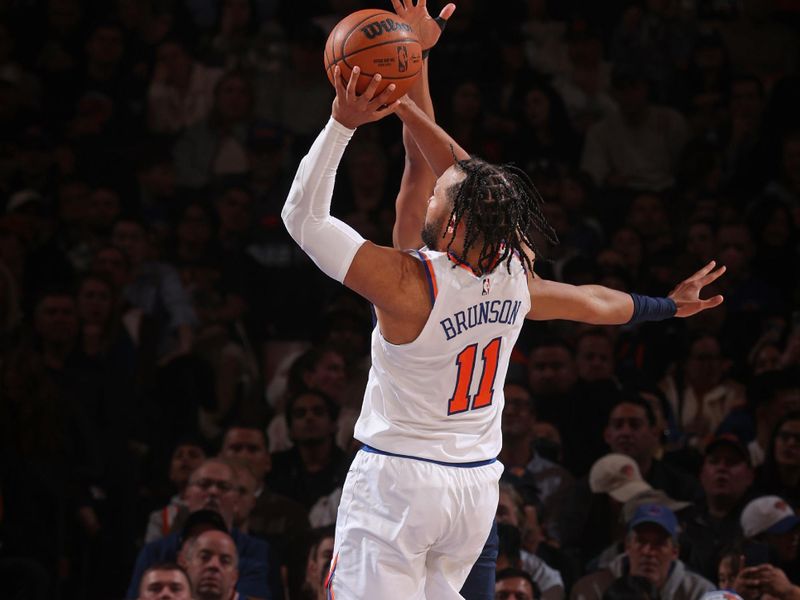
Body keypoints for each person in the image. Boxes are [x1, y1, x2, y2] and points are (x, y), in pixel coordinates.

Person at [281, 1, 725, 597]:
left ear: (458, 225)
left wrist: (345, 120)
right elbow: (598, 303)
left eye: (444, 199)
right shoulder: (515, 275)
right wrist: (667, 306)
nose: (436, 190)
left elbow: (303, 216)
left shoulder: (405, 282)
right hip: (474, 491)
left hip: (400, 482)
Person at [570, 504, 715, 600]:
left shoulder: (700, 592)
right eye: (641, 541)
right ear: (628, 546)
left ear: (675, 551)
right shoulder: (592, 588)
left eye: (659, 544)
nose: (648, 552)